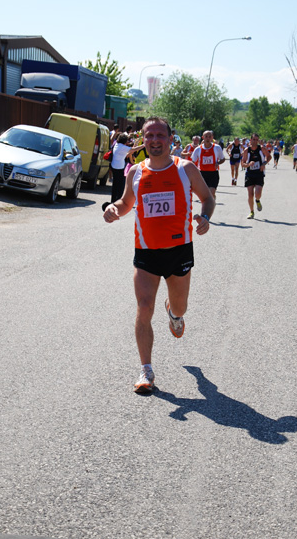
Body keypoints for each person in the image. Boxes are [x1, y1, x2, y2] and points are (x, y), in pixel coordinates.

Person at [103, 117, 215, 394]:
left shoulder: (185, 168)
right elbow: (126, 202)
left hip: (179, 252)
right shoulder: (135, 172)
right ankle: (146, 371)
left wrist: (205, 217)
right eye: (149, 135)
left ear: (170, 139)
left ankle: (174, 315)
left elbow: (207, 198)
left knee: (180, 307)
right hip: (146, 252)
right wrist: (113, 209)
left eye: (160, 135)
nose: (154, 140)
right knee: (143, 307)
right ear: (143, 140)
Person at [241, 133, 271, 219]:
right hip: (249, 174)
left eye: (256, 140)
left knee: (258, 193)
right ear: (250, 140)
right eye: (253, 139)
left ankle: (257, 200)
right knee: (250, 194)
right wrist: (248, 164)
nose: (255, 141)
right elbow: (242, 163)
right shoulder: (247, 150)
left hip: (259, 173)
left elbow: (269, 157)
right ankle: (251, 212)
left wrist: (264, 164)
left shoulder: (261, 149)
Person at [192, 131, 225, 199]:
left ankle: (212, 201)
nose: (208, 138)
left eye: (210, 137)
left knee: (211, 192)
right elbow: (192, 161)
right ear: (203, 137)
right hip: (202, 174)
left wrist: (218, 163)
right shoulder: (198, 149)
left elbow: (223, 159)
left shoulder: (217, 148)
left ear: (212, 138)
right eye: (206, 136)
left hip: (213, 173)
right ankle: (211, 201)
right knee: (205, 195)